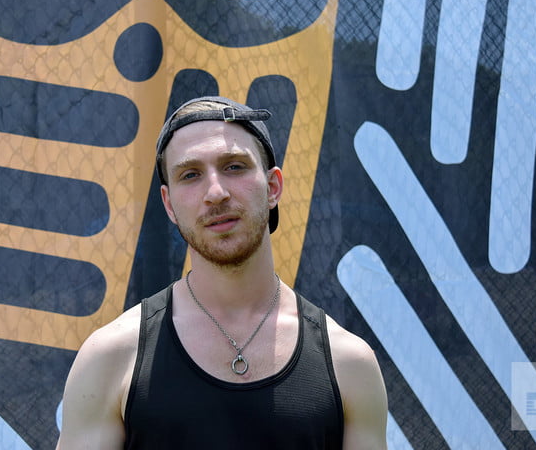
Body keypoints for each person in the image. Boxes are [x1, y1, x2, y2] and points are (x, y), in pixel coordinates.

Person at [56, 96, 388, 449]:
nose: (215, 193)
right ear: (169, 204)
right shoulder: (111, 358)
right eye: (190, 175)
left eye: (234, 167)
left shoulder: (348, 364)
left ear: (273, 187)